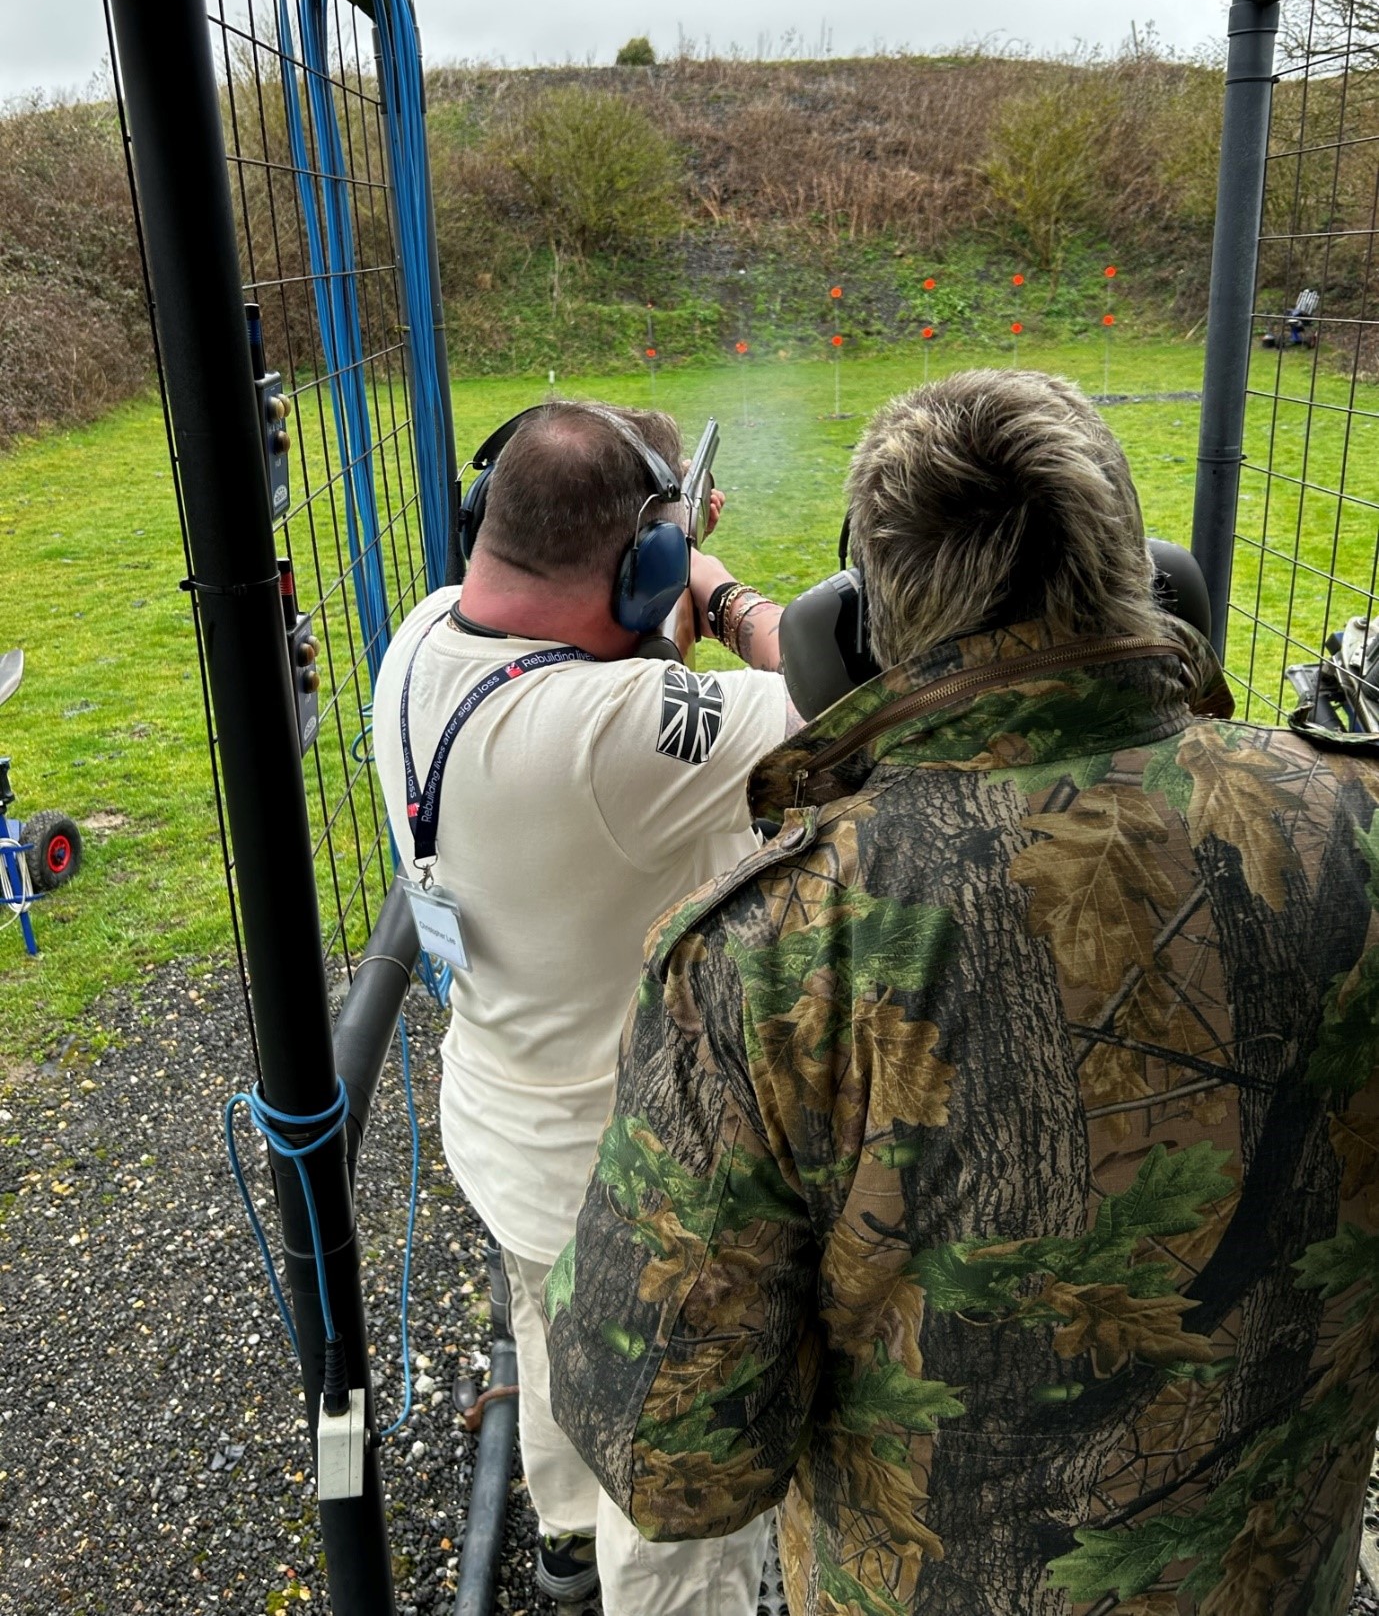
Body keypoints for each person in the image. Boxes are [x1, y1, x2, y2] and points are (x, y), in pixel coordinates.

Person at [548, 369, 1379, 1616]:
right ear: (1147, 584)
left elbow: (676, 1467)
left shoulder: (774, 953)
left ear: (859, 633)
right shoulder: (1355, 823)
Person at [371, 397, 799, 1613]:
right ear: (641, 565)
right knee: (675, 1500)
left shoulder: (419, 637)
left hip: (501, 1124)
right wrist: (714, 597)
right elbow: (837, 698)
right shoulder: (601, 730)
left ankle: (559, 1535)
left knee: (554, 1340)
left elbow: (581, 680)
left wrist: (644, 605)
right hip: (627, 1173)